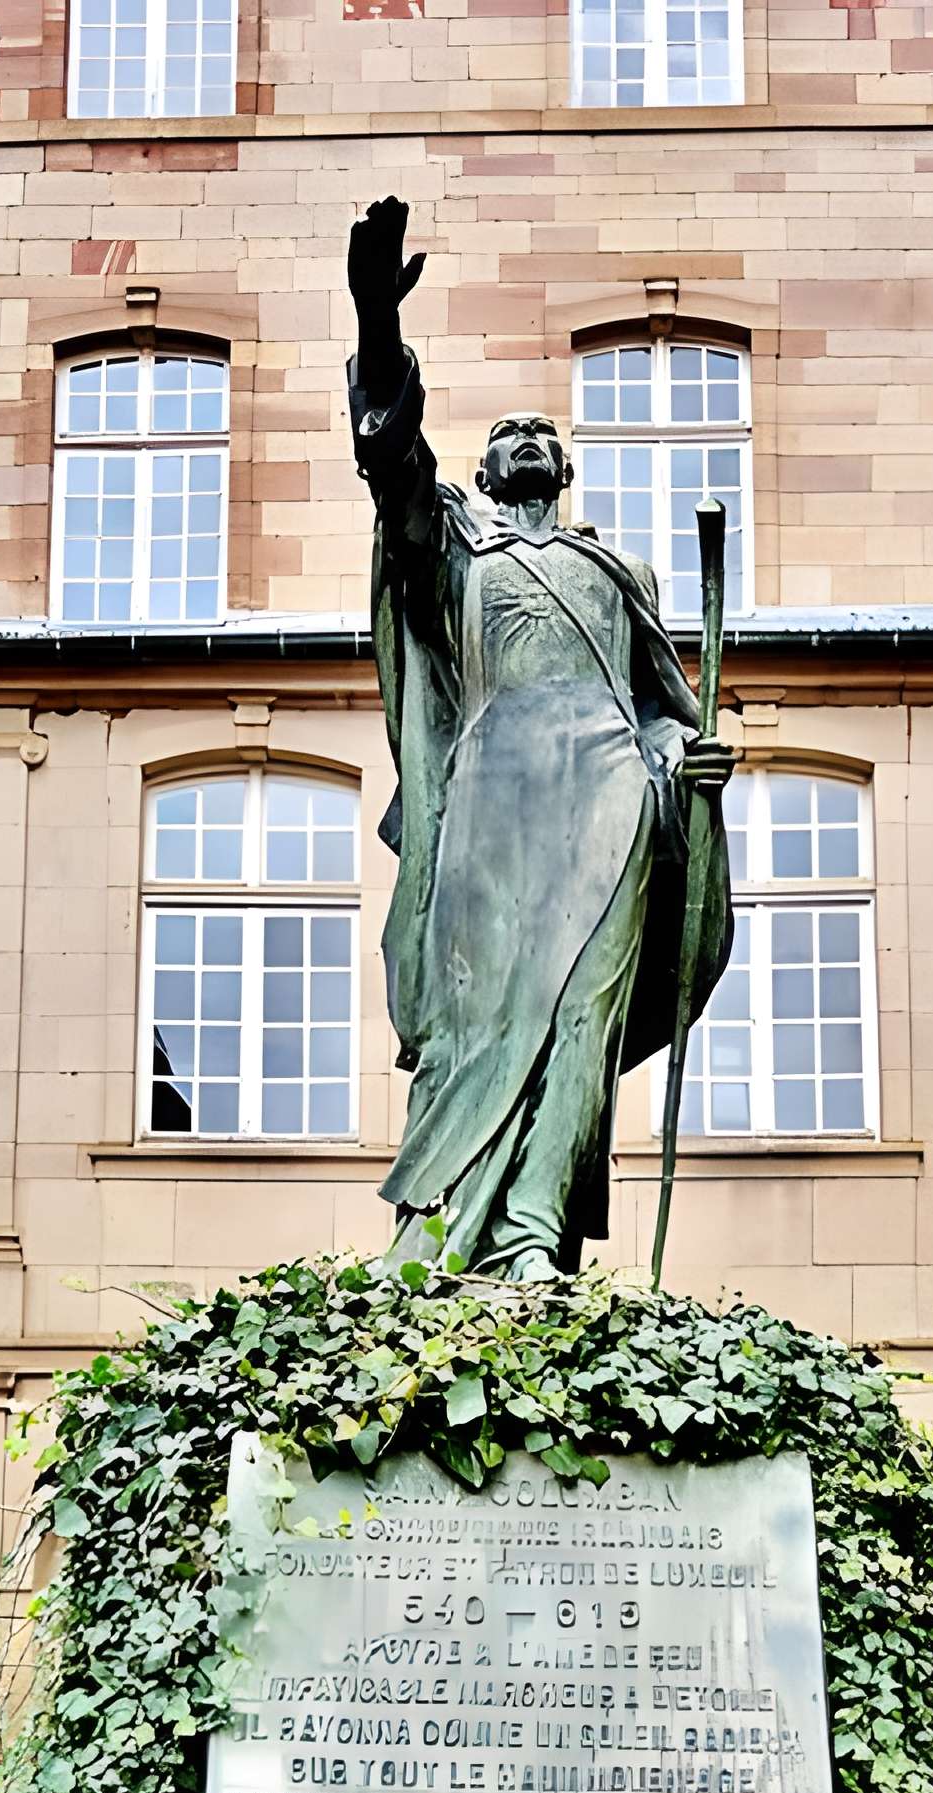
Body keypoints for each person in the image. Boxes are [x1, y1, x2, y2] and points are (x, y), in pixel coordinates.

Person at [347, 195, 734, 1280]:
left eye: (543, 435)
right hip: (491, 800)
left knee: (583, 1018)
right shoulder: (453, 558)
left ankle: (531, 1237)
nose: (525, 439)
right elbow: (394, 473)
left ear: (563, 471)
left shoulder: (619, 572)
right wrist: (378, 323)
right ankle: (446, 1231)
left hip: (610, 799)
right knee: (478, 1017)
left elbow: (664, 705)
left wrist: (687, 759)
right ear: (482, 475)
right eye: (505, 435)